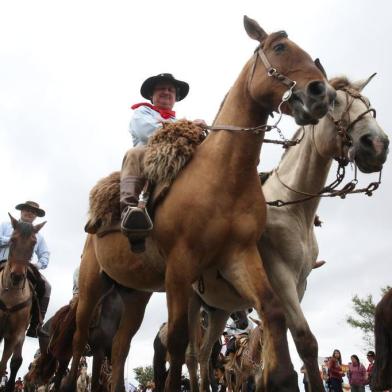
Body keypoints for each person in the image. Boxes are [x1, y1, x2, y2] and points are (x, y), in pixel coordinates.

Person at [119, 73, 205, 252]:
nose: (166, 92)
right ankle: (130, 210)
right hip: (149, 157)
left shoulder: (180, 121)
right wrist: (188, 129)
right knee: (135, 153)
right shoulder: (142, 112)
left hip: (178, 159)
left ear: (176, 97)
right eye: (161, 89)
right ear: (152, 95)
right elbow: (147, 132)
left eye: (171, 90)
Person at [0, 201, 51, 338]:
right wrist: (10, 239)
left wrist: (38, 265)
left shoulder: (38, 236)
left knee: (46, 286)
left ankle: (36, 324)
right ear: (21, 211)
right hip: (2, 262)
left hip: (24, 266)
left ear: (36, 217)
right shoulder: (5, 225)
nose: (30, 213)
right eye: (27, 210)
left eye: (33, 212)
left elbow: (45, 254)